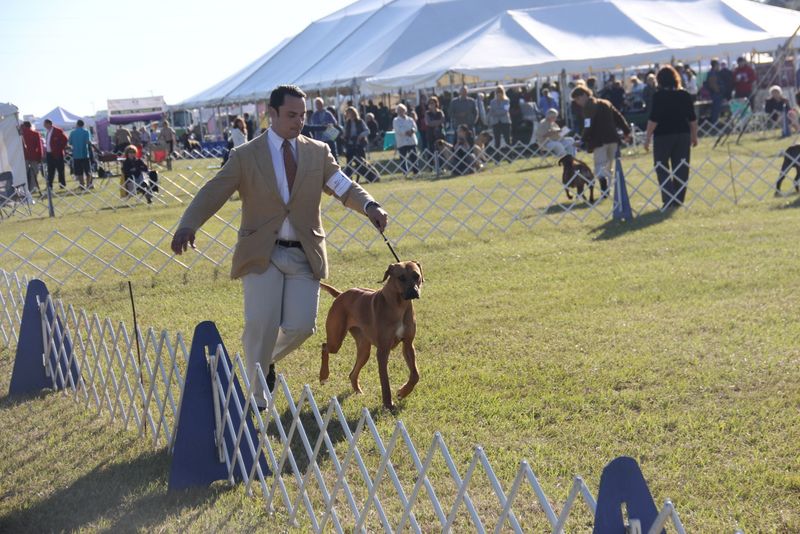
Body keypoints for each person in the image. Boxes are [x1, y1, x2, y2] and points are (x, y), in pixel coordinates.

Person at [170, 85, 388, 408]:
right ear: (270, 114)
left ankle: (262, 361)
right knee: (261, 324)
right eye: (290, 115)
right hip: (261, 253)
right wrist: (188, 223)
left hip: (304, 252)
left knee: (303, 326)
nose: (298, 121)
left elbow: (343, 186)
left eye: (302, 115)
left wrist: (369, 205)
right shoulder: (245, 156)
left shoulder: (318, 152)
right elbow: (214, 190)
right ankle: (256, 402)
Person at [643, 65, 698, 209]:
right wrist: (694, 136)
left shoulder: (658, 96)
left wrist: (647, 137)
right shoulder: (684, 94)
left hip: (663, 135)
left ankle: (668, 198)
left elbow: (653, 119)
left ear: (660, 80)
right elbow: (692, 118)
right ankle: (678, 198)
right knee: (681, 167)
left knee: (661, 166)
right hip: (683, 134)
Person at [570, 85, 632, 198]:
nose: (578, 103)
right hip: (613, 139)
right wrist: (627, 131)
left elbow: (588, 125)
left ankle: (605, 192)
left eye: (578, 99)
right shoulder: (606, 102)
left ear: (584, 95)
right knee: (609, 166)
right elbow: (618, 117)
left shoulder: (588, 106)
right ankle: (609, 190)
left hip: (599, 141)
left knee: (600, 166)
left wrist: (582, 141)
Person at [343, 106, 379, 183]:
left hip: (359, 145)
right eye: (347, 113)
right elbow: (344, 133)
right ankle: (348, 180)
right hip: (350, 146)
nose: (349, 114)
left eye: (350, 113)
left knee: (362, 164)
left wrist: (360, 135)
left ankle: (370, 177)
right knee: (349, 164)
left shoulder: (360, 121)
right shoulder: (347, 123)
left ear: (353, 113)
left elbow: (367, 131)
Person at [392, 103, 418, 176]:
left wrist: (412, 131)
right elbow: (398, 129)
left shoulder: (410, 119)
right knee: (403, 159)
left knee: (414, 157)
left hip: (411, 141)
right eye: (399, 110)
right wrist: (406, 132)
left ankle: (415, 171)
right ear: (397, 111)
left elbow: (415, 127)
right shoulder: (395, 120)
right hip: (402, 142)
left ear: (405, 111)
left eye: (402, 110)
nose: (401, 112)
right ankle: (405, 172)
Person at [68, 119, 93, 189]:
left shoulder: (72, 132)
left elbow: (70, 142)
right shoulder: (86, 132)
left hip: (76, 155)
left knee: (79, 172)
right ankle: (88, 184)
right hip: (85, 154)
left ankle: (82, 185)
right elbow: (88, 141)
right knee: (88, 170)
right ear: (83, 125)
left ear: (77, 124)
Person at [43, 119, 68, 189]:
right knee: (50, 170)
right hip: (49, 154)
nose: (44, 126)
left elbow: (65, 140)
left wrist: (60, 149)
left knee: (60, 170)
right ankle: (49, 185)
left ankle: (62, 185)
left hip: (57, 154)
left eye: (45, 124)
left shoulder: (58, 131)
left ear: (49, 124)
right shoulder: (47, 131)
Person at [487, 85, 512, 151]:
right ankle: (497, 159)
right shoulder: (492, 102)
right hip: (496, 123)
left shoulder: (507, 101)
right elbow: (491, 112)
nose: (499, 93)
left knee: (507, 140)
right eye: (497, 92)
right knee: (497, 141)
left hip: (505, 122)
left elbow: (505, 111)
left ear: (503, 92)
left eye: (500, 92)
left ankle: (509, 157)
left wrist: (496, 112)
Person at [20, 121, 42, 193]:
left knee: (24, 173)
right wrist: (39, 157)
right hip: (34, 157)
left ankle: (25, 189)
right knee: (34, 173)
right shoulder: (35, 134)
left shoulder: (20, 134)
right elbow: (39, 147)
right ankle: (32, 188)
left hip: (23, 157)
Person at [705, 59, 724, 124]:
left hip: (715, 94)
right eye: (718, 65)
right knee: (715, 110)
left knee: (716, 109)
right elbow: (713, 85)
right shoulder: (712, 73)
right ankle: (714, 123)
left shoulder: (714, 73)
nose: (719, 66)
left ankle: (714, 123)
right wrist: (718, 91)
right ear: (715, 65)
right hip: (716, 95)